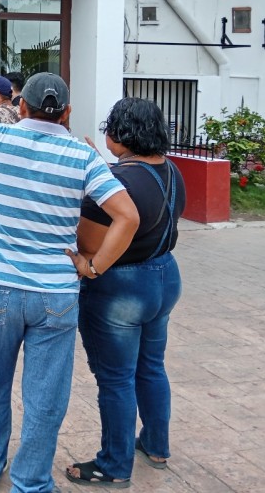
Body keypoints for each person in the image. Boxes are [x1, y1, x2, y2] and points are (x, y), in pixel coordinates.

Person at [0, 73, 139, 493]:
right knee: (45, 395)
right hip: (56, 293)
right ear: (66, 113)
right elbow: (128, 217)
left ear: (21, 107)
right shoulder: (82, 156)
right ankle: (30, 481)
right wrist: (93, 266)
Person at [64, 98, 185, 488]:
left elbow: (88, 241)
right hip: (164, 276)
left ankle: (114, 464)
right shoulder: (171, 170)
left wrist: (91, 267)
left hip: (122, 286)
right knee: (151, 366)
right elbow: (142, 199)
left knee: (115, 379)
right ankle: (156, 444)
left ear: (121, 133)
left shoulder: (117, 184)